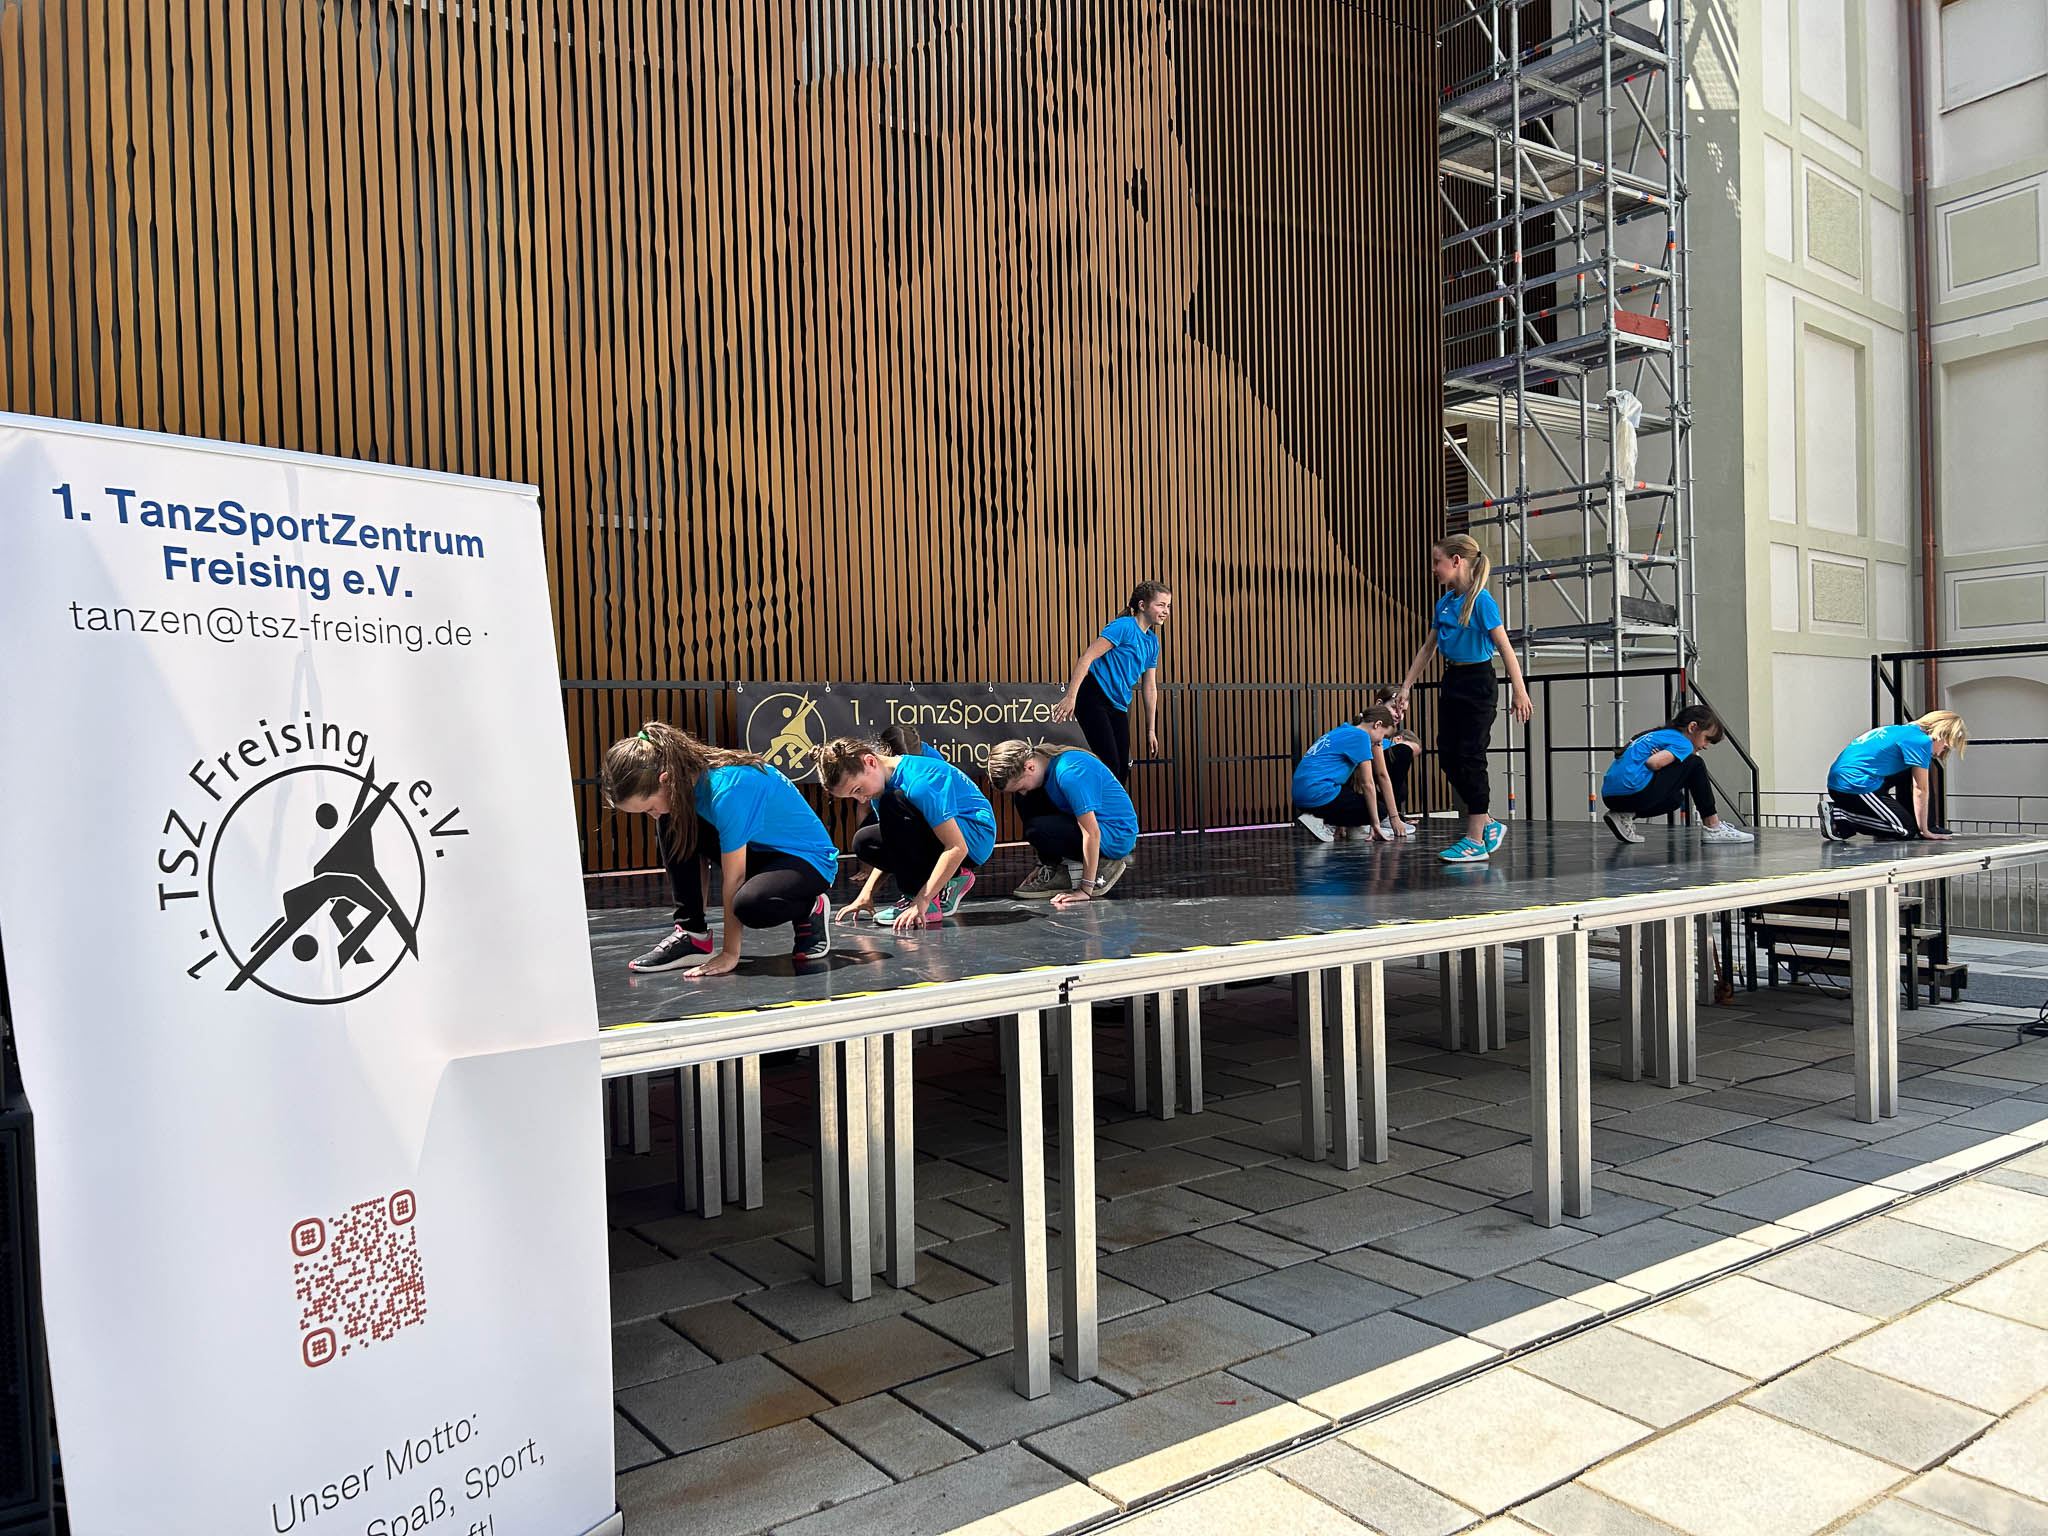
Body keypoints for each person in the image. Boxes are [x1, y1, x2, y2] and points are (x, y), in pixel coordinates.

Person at [602, 722, 839, 975]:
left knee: (749, 906)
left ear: (666, 780)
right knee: (670, 818)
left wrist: (729, 953)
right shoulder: (685, 783)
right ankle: (693, 935)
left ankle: (810, 907)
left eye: (649, 807)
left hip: (806, 860)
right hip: (759, 848)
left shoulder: (728, 790)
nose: (652, 815)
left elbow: (734, 878)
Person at [1393, 533, 1533, 863]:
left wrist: (1519, 689)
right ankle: (1488, 822)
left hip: (1477, 682)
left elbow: (1504, 647)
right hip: (1452, 680)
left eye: (1437, 562)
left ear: (1456, 561)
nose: (1433, 569)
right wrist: (1406, 686)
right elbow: (1428, 648)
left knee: (1471, 755)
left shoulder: (1481, 601)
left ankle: (1475, 839)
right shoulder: (1444, 603)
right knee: (1447, 754)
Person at [816, 736, 994, 931]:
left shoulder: (917, 782)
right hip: (947, 838)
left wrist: (922, 900)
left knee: (894, 801)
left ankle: (924, 901)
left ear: (870, 762)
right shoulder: (879, 789)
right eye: (853, 796)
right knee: (865, 842)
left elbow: (957, 847)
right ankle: (956, 877)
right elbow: (895, 843)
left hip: (974, 839)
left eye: (858, 789)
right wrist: (867, 894)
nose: (861, 799)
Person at [986, 740, 1138, 906]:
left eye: (1021, 786)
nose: (1022, 792)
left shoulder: (1069, 773)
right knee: (1026, 801)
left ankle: (1105, 862)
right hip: (1097, 829)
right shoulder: (1047, 766)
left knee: (1037, 829)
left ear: (1030, 767)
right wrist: (1042, 864)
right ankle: (1055, 870)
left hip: (1115, 836)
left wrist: (1085, 889)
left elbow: (1092, 832)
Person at [1051, 581, 1171, 785]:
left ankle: (1107, 805)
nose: (1166, 611)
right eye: (1161, 605)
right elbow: (1087, 658)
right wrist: (1071, 697)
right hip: (1093, 695)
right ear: (1142, 605)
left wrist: (1151, 730)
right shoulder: (1123, 626)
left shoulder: (1152, 642)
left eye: (1168, 606)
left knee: (1122, 767)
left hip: (1118, 704)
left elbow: (1150, 687)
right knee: (1111, 763)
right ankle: (1083, 800)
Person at [1600, 705, 1754, 844]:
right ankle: (1713, 826)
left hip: (1610, 797)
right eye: (1707, 739)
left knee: (1675, 799)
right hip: (1632, 793)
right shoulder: (1684, 743)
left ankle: (1625, 814)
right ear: (1692, 727)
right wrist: (1665, 759)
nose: (1706, 746)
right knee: (1695, 763)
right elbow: (1653, 763)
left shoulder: (1660, 735)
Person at [1821, 711, 1968, 842]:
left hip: (1844, 781)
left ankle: (1924, 824)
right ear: (1941, 735)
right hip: (1854, 784)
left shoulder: (1903, 731)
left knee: (1914, 770)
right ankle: (1840, 816)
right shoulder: (1922, 742)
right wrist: (1924, 831)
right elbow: (1920, 789)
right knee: (1906, 830)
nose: (1940, 753)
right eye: (1945, 747)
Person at [1293, 707, 1412, 843]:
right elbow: (1367, 784)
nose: (1380, 742)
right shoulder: (1361, 736)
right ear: (1377, 724)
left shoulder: (1344, 729)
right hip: (1318, 794)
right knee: (1380, 811)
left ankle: (1323, 818)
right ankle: (1320, 819)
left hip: (1301, 794)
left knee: (1353, 796)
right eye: (1383, 736)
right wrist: (1375, 824)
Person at [1372, 684, 1422, 830]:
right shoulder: (1368, 729)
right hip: (1345, 790)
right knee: (1403, 751)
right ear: (1379, 704)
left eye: (1403, 711)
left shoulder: (1384, 735)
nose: (1399, 715)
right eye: (1395, 708)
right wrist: (1393, 817)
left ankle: (1388, 814)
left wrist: (1398, 816)